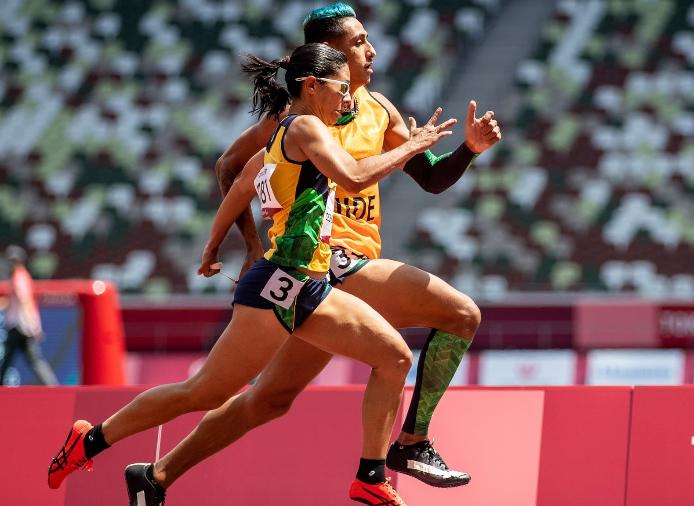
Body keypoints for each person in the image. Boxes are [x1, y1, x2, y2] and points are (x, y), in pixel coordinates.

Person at [121, 3, 501, 504]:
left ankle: (158, 476)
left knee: (269, 400)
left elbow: (430, 177)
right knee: (460, 314)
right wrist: (253, 245)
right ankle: (410, 443)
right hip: (333, 260)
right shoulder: (298, 118)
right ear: (330, 56)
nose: (372, 50)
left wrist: (468, 150)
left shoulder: (380, 109)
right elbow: (231, 167)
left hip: (324, 276)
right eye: (360, 41)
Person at [47, 42, 454, 506]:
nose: (348, 98)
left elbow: (241, 184)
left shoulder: (283, 136)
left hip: (301, 286)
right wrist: (413, 148)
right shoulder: (304, 128)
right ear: (311, 85)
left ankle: (370, 476)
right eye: (342, 88)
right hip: (284, 284)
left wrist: (214, 244)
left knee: (392, 359)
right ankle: (91, 439)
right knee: (203, 392)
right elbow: (355, 177)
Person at [0, 245, 59, 386]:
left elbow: (25, 301)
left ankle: (52, 386)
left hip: (21, 326)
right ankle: (51, 385)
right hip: (18, 325)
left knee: (31, 359)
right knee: (17, 358)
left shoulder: (19, 276)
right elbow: (15, 302)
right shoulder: (19, 276)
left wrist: (33, 325)